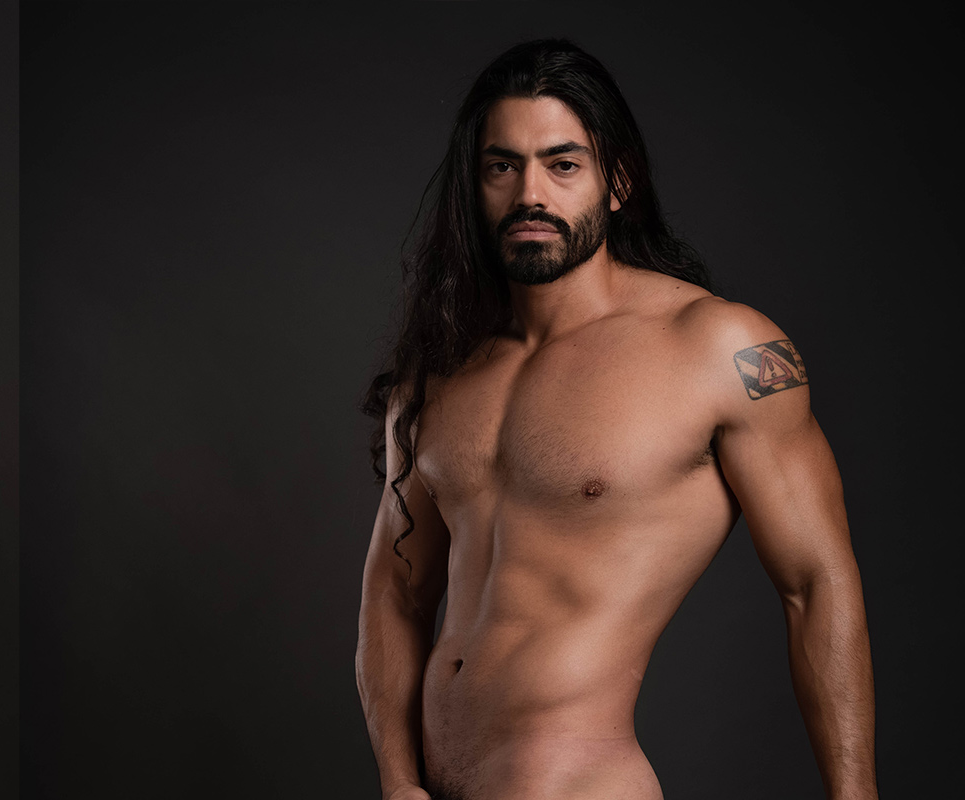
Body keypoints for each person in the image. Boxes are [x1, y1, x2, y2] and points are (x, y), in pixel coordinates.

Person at [357, 39, 876, 800]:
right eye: (503, 166)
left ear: (618, 181)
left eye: (563, 164)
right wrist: (399, 783)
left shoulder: (720, 349)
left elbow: (815, 584)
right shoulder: (438, 373)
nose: (531, 193)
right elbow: (396, 596)